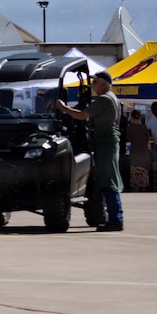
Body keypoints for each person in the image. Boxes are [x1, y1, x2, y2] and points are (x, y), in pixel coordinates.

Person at [58, 71, 124, 232]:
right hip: (106, 142)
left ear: (105, 83)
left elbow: (82, 115)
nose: (93, 85)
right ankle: (113, 218)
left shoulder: (105, 99)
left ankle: (116, 219)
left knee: (108, 182)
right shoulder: (112, 98)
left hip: (106, 142)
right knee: (107, 180)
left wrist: (63, 108)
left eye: (95, 81)